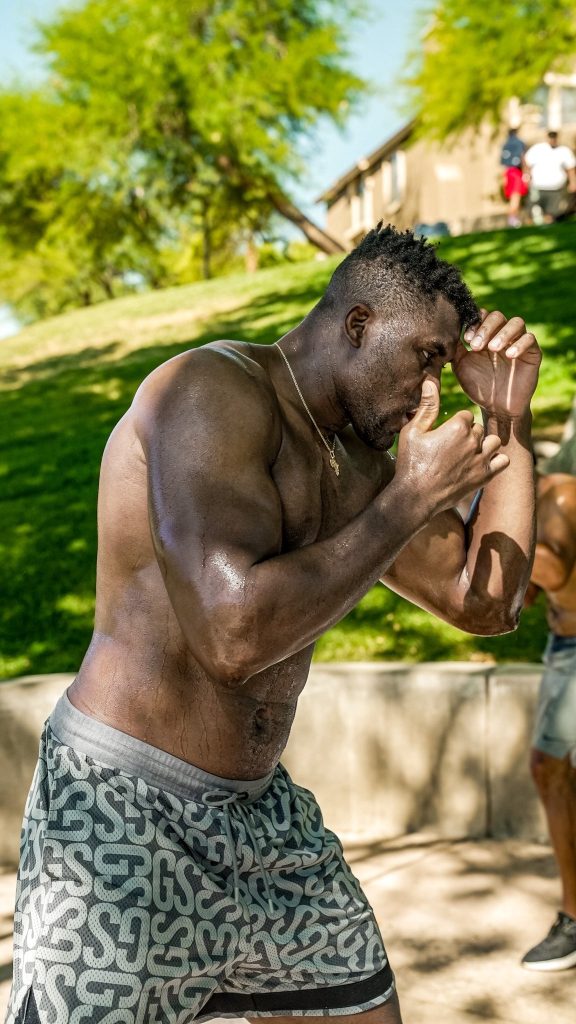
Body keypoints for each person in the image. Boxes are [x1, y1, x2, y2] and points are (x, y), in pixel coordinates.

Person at [6, 224, 541, 1024]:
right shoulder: (211, 392)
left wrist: (507, 424)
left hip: (260, 815)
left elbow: (486, 603)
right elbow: (233, 637)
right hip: (121, 811)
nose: (434, 387)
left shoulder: (358, 463)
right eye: (427, 355)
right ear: (359, 324)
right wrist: (405, 502)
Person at [521, 469, 576, 972]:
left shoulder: (560, 496)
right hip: (564, 644)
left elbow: (554, 569)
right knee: (548, 766)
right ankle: (574, 919)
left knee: (550, 764)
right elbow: (538, 590)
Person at [524, 131, 576, 224]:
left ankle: (548, 227)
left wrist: (573, 182)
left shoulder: (563, 151)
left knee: (552, 213)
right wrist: (527, 177)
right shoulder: (537, 149)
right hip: (538, 186)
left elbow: (570, 168)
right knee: (533, 212)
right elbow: (527, 163)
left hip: (555, 188)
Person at [500, 126, 528, 227]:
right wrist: (526, 173)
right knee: (515, 197)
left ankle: (513, 220)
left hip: (508, 173)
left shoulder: (505, 144)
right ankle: (513, 221)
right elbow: (522, 158)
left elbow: (503, 163)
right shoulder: (519, 143)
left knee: (513, 197)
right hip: (516, 172)